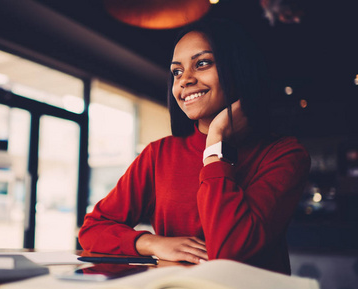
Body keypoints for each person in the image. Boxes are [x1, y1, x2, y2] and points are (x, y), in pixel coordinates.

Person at [78, 18, 310, 275]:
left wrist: (215, 143)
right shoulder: (159, 154)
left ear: (236, 68)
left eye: (202, 64)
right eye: (177, 71)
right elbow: (92, 229)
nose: (184, 80)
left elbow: (230, 251)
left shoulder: (284, 154)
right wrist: (151, 242)